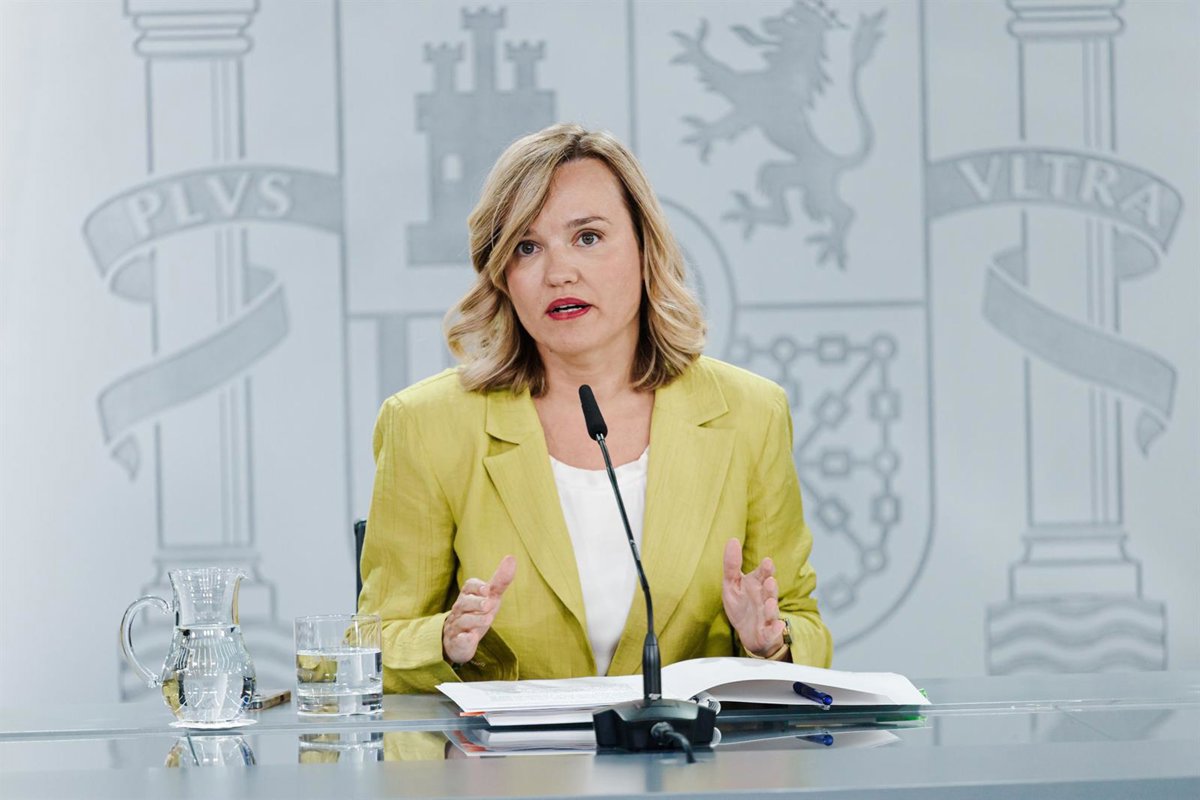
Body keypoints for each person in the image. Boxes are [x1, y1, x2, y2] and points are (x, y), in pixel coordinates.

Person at [358, 123, 832, 693]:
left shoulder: (749, 413)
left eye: (587, 237)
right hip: (506, 754)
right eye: (527, 247)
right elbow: (372, 644)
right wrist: (445, 640)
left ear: (645, 248)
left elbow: (803, 623)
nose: (559, 272)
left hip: (685, 750)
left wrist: (769, 642)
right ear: (503, 275)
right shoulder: (427, 424)